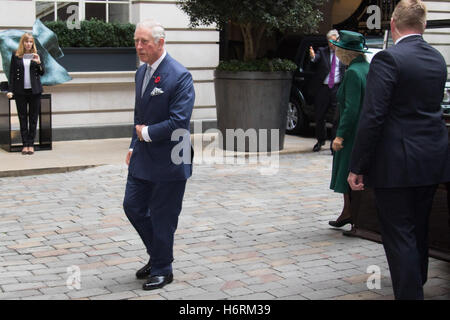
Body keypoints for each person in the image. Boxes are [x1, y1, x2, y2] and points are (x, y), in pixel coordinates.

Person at [348, 0, 449, 300]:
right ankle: (416, 281)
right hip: (432, 160)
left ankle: (410, 293)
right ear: (424, 26)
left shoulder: (388, 59)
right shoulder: (437, 59)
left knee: (399, 234)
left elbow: (373, 116)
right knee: (418, 228)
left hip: (396, 164)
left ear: (393, 24)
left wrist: (358, 165)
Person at [123, 19, 195, 291]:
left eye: (145, 42)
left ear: (160, 43)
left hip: (172, 157)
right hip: (142, 155)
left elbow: (179, 122)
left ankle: (163, 269)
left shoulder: (180, 75)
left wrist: (145, 134)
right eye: (136, 42)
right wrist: (133, 144)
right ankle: (160, 256)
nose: (139, 47)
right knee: (133, 206)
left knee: (164, 215)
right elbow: (138, 115)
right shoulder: (141, 73)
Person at [328, 31, 370, 229]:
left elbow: (351, 109)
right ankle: (349, 213)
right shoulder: (366, 68)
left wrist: (340, 135)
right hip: (364, 129)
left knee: (349, 174)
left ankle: (355, 216)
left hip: (352, 132)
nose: (336, 52)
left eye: (339, 49)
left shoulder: (353, 73)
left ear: (347, 53)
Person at [6, 33, 45, 155]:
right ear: (22, 43)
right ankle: (25, 144)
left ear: (33, 43)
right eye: (26, 42)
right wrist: (10, 90)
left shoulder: (37, 55)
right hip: (20, 91)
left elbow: (43, 72)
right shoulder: (16, 55)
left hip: (35, 91)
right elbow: (12, 74)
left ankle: (31, 144)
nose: (28, 44)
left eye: (30, 42)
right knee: (22, 118)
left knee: (33, 118)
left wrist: (38, 63)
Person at [309, 29, 346, 153]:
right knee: (320, 116)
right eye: (330, 41)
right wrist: (313, 57)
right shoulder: (322, 51)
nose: (332, 44)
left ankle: (333, 145)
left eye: (334, 41)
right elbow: (315, 59)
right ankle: (320, 140)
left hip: (336, 87)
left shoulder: (342, 53)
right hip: (323, 88)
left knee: (336, 117)